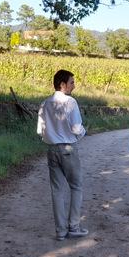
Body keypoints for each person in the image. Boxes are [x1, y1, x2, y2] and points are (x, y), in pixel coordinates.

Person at [37, 69, 89, 241]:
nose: (74, 85)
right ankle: (73, 226)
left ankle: (60, 230)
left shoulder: (45, 103)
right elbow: (76, 128)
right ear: (62, 84)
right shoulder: (70, 102)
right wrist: (83, 132)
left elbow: (40, 130)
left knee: (57, 190)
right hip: (68, 148)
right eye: (72, 82)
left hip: (51, 149)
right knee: (76, 187)